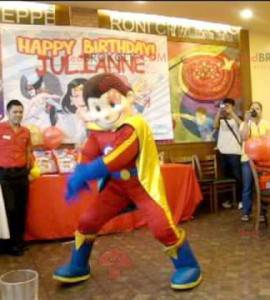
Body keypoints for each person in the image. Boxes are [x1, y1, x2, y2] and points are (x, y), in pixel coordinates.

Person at [53, 73, 202, 290]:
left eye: (111, 103)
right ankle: (78, 265)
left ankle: (188, 265)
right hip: (115, 187)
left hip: (141, 184)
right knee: (87, 220)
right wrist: (79, 172)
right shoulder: (98, 129)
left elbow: (118, 157)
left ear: (127, 97)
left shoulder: (135, 124)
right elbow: (89, 151)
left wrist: (87, 173)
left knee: (161, 227)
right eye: (97, 108)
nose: (105, 112)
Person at [0, 99, 32, 256]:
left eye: (20, 112)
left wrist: (29, 169)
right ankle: (8, 245)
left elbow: (28, 152)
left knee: (21, 209)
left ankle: (19, 243)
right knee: (8, 210)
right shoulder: (1, 128)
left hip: (21, 175)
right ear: (8, 113)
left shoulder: (26, 132)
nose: (18, 114)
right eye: (15, 112)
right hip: (4, 176)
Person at [239, 101, 270, 221]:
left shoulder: (266, 123)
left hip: (263, 160)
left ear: (261, 111)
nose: (254, 111)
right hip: (247, 159)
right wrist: (247, 121)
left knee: (262, 186)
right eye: (252, 109)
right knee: (247, 186)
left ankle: (262, 213)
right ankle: (246, 213)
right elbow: (243, 137)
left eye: (257, 109)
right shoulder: (244, 123)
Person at [214, 98, 242, 209]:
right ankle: (228, 200)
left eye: (228, 106)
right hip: (223, 152)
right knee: (226, 177)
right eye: (224, 106)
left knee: (237, 177)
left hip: (235, 152)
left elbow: (241, 125)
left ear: (233, 107)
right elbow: (215, 126)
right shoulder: (221, 119)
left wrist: (232, 112)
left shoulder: (237, 119)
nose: (226, 108)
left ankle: (240, 200)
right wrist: (218, 112)